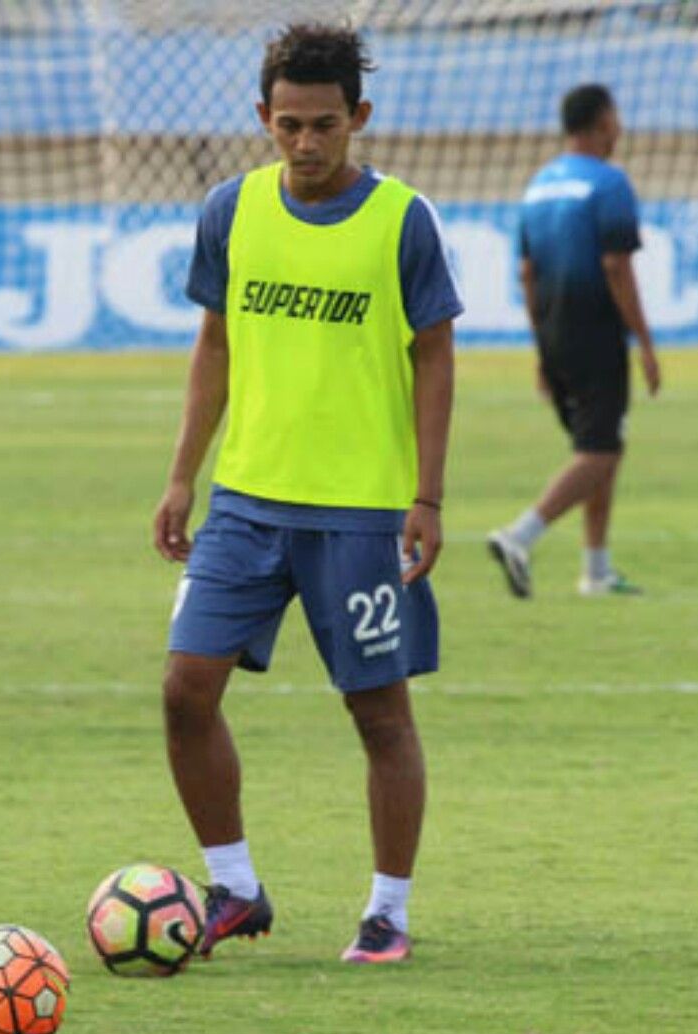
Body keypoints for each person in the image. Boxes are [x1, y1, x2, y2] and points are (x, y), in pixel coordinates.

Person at [153, 23, 460, 965]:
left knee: (378, 714)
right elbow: (215, 344)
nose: (307, 143)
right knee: (183, 691)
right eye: (288, 124)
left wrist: (428, 497)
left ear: (358, 117)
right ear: (263, 118)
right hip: (245, 505)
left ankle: (388, 911)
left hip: (361, 516)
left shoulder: (402, 220)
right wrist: (182, 474)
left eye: (325, 124)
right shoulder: (230, 211)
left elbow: (436, 356)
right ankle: (236, 889)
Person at [488, 83, 660, 599]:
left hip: (555, 331)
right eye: (617, 116)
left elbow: (526, 271)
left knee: (599, 444)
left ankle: (596, 570)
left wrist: (541, 349)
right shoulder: (609, 183)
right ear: (604, 121)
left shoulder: (538, 185)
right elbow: (615, 265)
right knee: (601, 451)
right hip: (596, 332)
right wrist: (646, 344)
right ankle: (521, 535)